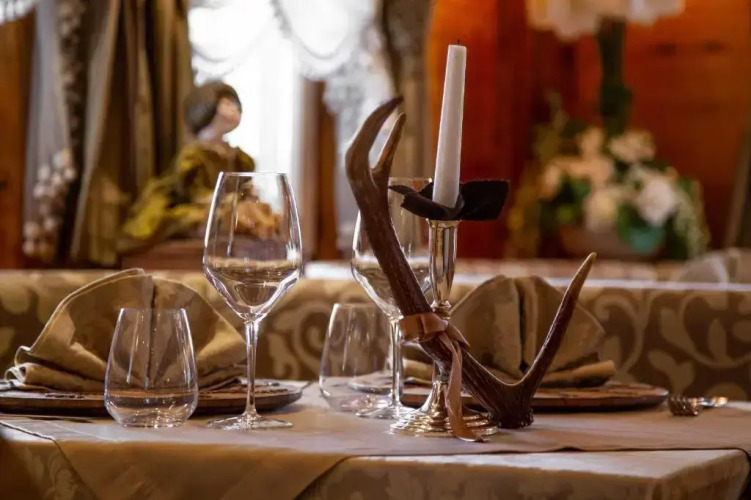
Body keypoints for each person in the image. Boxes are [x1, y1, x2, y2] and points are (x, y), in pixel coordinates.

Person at [117, 81, 255, 254]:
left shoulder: (238, 157)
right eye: (227, 104)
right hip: (192, 204)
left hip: (225, 204)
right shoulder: (194, 155)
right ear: (206, 107)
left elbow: (243, 187)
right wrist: (223, 200)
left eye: (236, 106)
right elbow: (191, 192)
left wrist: (245, 195)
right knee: (204, 218)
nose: (235, 110)